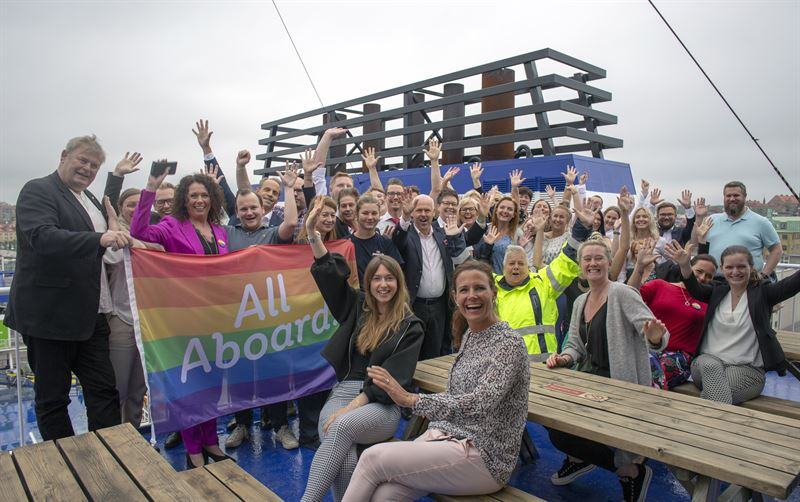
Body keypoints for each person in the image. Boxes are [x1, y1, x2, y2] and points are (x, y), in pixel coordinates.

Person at [341, 260, 530, 501]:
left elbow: (479, 404)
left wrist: (411, 400)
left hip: (484, 456)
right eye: (464, 290)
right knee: (385, 495)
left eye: (479, 288)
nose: (472, 296)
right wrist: (419, 403)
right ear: (454, 296)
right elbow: (455, 395)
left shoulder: (508, 344)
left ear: (493, 292)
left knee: (371, 458)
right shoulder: (471, 334)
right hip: (447, 438)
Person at [5, 136, 133, 440]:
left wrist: (115, 183)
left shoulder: (88, 199)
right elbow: (42, 236)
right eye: (83, 161)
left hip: (91, 314)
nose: (87, 169)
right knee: (53, 398)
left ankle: (111, 455)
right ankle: (64, 460)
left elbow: (103, 223)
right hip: (50, 317)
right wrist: (98, 240)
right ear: (64, 156)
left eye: (94, 165)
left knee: (103, 390)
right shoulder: (38, 190)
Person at [301, 200, 424, 502]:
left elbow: (386, 383)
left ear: (399, 283)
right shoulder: (358, 307)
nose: (383, 285)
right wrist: (312, 234)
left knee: (339, 427)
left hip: (381, 405)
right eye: (377, 279)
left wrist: (348, 409)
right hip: (343, 391)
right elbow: (330, 278)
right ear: (368, 284)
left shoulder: (411, 327)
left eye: (389, 278)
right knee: (344, 458)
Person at [545, 236, 669, 501]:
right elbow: (575, 346)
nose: (593, 263)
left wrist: (656, 336)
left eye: (598, 258)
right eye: (587, 259)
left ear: (610, 262)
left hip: (619, 384)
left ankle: (629, 472)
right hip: (589, 382)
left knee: (601, 433)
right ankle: (610, 465)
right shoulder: (580, 301)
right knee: (556, 427)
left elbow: (654, 334)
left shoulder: (623, 294)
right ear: (580, 266)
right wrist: (564, 358)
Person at [130, 168, 233, 469]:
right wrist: (150, 188)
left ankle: (212, 441)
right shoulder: (171, 225)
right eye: (193, 196)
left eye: (204, 195)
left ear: (212, 199)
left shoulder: (220, 231)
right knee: (191, 387)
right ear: (184, 200)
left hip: (216, 318)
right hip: (184, 320)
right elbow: (139, 232)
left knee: (214, 383)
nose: (199, 200)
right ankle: (194, 451)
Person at [665, 242, 799, 404]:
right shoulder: (716, 291)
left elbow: (792, 284)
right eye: (729, 267)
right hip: (706, 363)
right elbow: (694, 287)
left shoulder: (763, 293)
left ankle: (703, 423)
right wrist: (685, 265)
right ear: (722, 268)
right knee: (711, 368)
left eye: (741, 267)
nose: (735, 272)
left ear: (751, 267)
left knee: (718, 393)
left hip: (746, 369)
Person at [224, 165, 299, 449]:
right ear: (237, 211)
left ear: (261, 208)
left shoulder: (271, 234)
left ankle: (280, 426)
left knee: (275, 372)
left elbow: (291, 223)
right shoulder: (228, 234)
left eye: (253, 207)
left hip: (271, 317)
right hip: (237, 318)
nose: (249, 213)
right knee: (240, 374)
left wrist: (290, 187)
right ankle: (242, 425)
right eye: (243, 209)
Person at [494, 203, 593, 357]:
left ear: (528, 266)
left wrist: (581, 227)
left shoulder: (543, 282)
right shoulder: (493, 286)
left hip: (543, 366)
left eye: (521, 263)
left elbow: (565, 262)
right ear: (503, 266)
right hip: (505, 365)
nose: (516, 268)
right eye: (511, 264)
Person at [104, 188, 164, 427]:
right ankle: (116, 439)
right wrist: (119, 234)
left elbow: (163, 254)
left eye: (141, 205)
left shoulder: (153, 233)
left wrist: (135, 242)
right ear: (121, 208)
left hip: (148, 320)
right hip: (122, 318)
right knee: (118, 386)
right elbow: (113, 258)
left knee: (139, 388)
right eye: (130, 204)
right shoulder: (111, 233)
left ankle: (134, 434)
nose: (136, 209)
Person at [628, 240, 717, 389]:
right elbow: (629, 297)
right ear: (689, 268)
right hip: (647, 348)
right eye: (699, 271)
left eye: (709, 276)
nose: (703, 278)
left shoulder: (710, 301)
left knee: (650, 368)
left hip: (680, 357)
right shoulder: (660, 285)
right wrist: (640, 267)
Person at [393, 193, 466, 359]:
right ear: (412, 213)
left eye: (427, 210)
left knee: (437, 352)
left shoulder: (443, 234)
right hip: (414, 305)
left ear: (434, 212)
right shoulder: (407, 234)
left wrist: (454, 236)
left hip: (440, 306)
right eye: (419, 210)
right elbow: (397, 241)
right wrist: (403, 217)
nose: (423, 214)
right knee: (412, 352)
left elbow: (459, 256)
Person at [703, 181, 782, 279]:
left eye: (736, 195)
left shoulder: (761, 222)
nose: (732, 199)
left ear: (745, 196)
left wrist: (764, 275)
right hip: (716, 282)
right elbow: (697, 243)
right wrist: (698, 217)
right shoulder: (712, 220)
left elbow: (776, 250)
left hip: (748, 282)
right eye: (728, 196)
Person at [348, 195, 403, 288]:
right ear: (356, 215)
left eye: (374, 213)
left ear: (379, 216)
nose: (370, 217)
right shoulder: (347, 244)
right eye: (365, 213)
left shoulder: (386, 243)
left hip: (381, 297)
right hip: (355, 299)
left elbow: (396, 273)